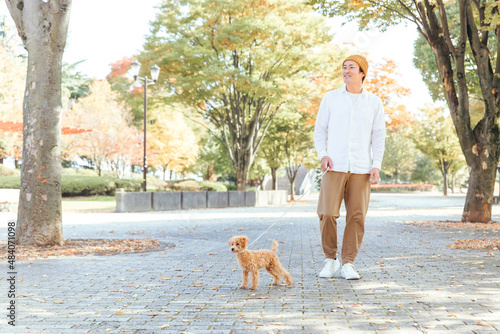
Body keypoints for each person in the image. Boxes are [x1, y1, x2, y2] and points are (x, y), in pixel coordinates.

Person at [313, 54, 386, 280]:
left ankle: (348, 263)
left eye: (351, 67)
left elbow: (379, 136)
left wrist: (376, 165)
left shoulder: (374, 102)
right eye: (344, 67)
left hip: (362, 169)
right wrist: (323, 154)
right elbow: (319, 131)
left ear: (362, 72)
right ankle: (330, 260)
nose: (346, 70)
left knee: (356, 216)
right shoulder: (331, 98)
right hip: (334, 166)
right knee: (327, 213)